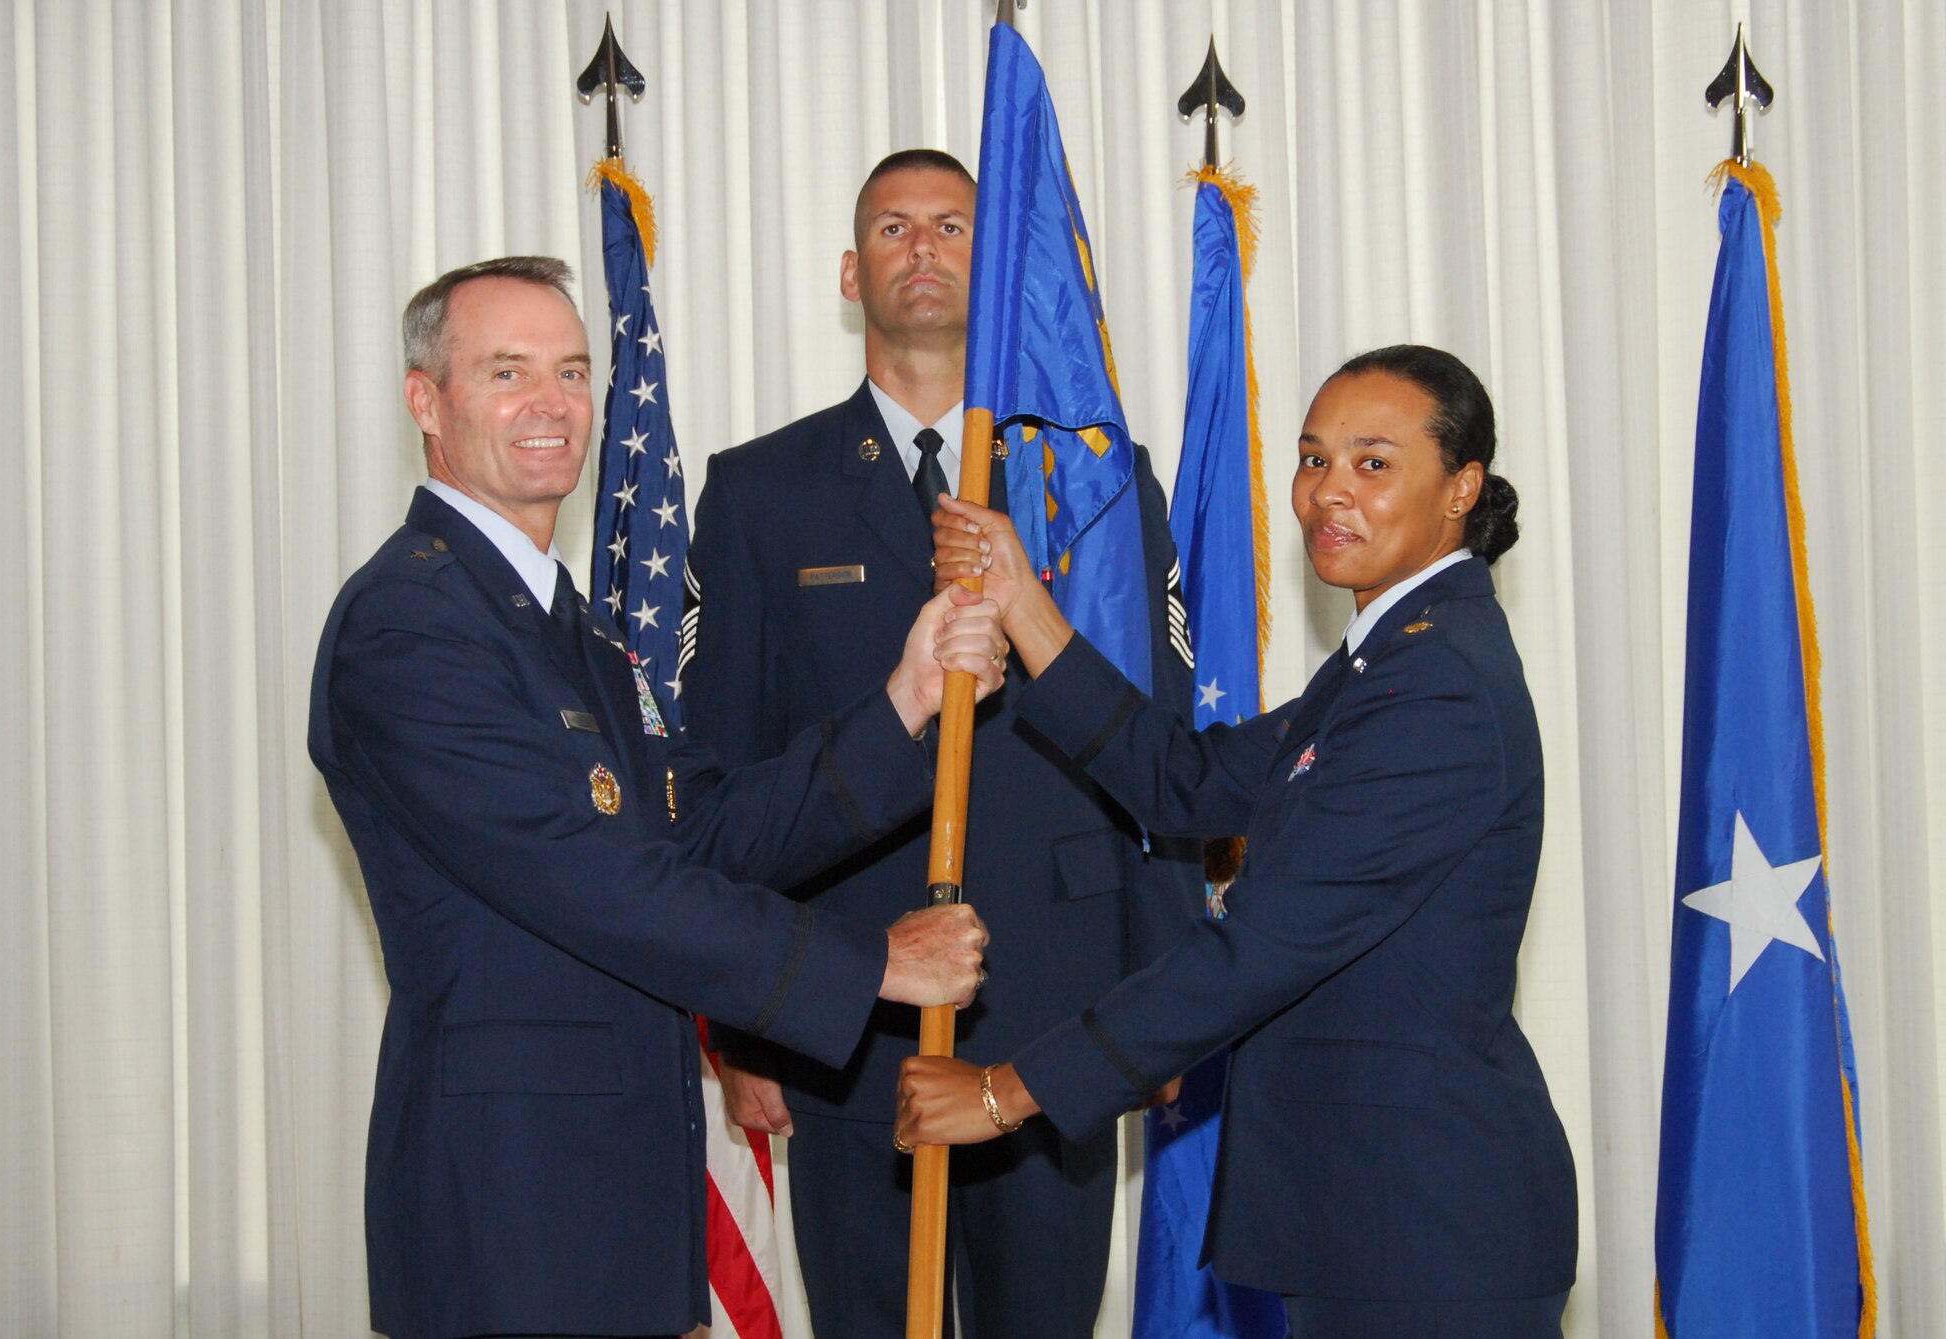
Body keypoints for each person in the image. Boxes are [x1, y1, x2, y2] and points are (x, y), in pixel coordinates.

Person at [308, 255, 1007, 1339]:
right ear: (425, 400)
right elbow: (597, 880)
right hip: (511, 1207)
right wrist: (871, 964)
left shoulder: (564, 627)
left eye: (572, 372)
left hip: (624, 1196)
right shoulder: (412, 623)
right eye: (507, 372)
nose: (552, 405)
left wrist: (903, 703)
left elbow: (704, 828)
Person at [904, 345, 1579, 1339]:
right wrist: (1020, 602)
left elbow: (1257, 945)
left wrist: (1007, 1093)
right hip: (1363, 1219)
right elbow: (1185, 781)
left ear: (1460, 486)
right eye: (1313, 460)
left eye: (1372, 462)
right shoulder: (1382, 663)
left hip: (1426, 1233)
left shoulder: (1431, 686)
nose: (1326, 495)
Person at [681, 151, 1204, 1337]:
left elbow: (1163, 760)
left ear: (997, 262)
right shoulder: (757, 493)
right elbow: (723, 775)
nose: (921, 248)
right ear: (848, 271)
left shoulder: (1098, 482)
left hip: (1059, 1002)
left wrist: (1165, 997)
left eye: (953, 225)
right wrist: (743, 1020)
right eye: (893, 227)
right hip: (844, 1006)